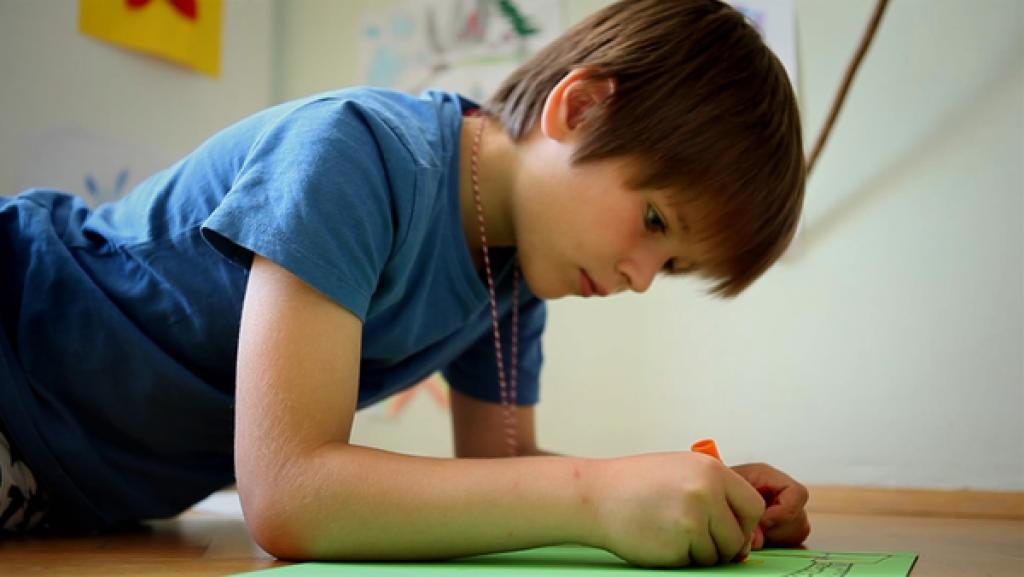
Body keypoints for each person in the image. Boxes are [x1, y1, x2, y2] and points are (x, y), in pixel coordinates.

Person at [0, 0, 810, 567]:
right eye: (657, 223)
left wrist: (697, 494)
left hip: (68, 488)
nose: (639, 278)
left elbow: (509, 467)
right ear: (585, 108)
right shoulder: (355, 153)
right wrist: (597, 495)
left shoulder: (518, 274)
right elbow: (287, 493)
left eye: (669, 270)